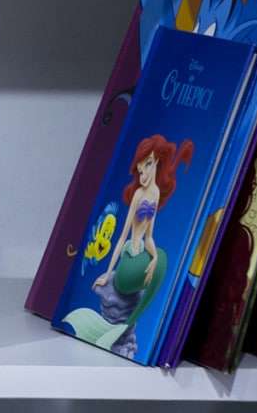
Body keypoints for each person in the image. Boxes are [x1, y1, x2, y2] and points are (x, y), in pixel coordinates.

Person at [61, 134, 191, 358]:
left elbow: (149, 236)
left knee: (161, 260)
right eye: (140, 169)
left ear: (157, 163)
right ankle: (116, 326)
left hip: (142, 254)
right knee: (129, 282)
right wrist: (107, 273)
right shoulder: (139, 194)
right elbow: (122, 237)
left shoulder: (155, 193)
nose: (143, 174)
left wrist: (154, 259)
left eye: (147, 165)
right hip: (129, 255)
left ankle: (126, 328)